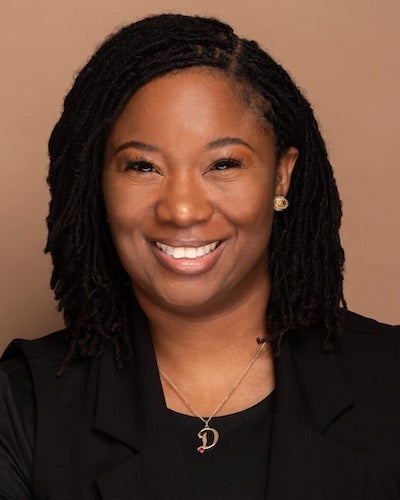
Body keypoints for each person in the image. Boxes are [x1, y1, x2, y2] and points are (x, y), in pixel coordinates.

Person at [0, 13, 399, 500]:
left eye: (223, 164)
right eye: (143, 166)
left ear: (281, 176)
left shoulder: (390, 380)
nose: (182, 209)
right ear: (98, 183)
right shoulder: (24, 404)